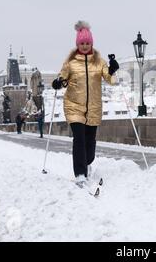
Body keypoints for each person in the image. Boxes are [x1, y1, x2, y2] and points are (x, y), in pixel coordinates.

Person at [52, 20, 119, 188]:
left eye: (87, 43)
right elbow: (63, 78)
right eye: (82, 43)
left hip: (93, 108)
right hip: (74, 105)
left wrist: (112, 70)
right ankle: (80, 173)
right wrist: (58, 82)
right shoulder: (71, 62)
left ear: (91, 43)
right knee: (79, 139)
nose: (84, 45)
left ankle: (87, 162)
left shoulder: (99, 62)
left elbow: (110, 80)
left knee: (90, 142)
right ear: (77, 44)